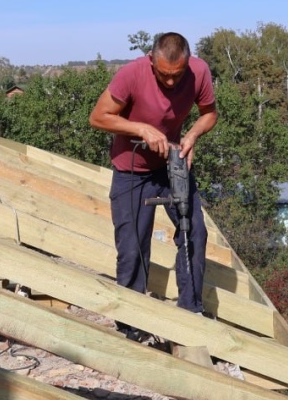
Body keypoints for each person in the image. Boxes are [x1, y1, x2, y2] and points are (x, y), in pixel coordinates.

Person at [89, 32, 218, 333]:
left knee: (194, 233)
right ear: (151, 60)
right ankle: (133, 323)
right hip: (131, 169)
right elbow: (97, 117)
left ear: (188, 62)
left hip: (173, 163)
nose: (171, 82)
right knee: (132, 247)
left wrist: (192, 135)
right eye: (163, 75)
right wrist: (140, 129)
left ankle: (190, 312)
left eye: (177, 75)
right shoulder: (131, 74)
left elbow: (209, 114)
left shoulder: (199, 71)